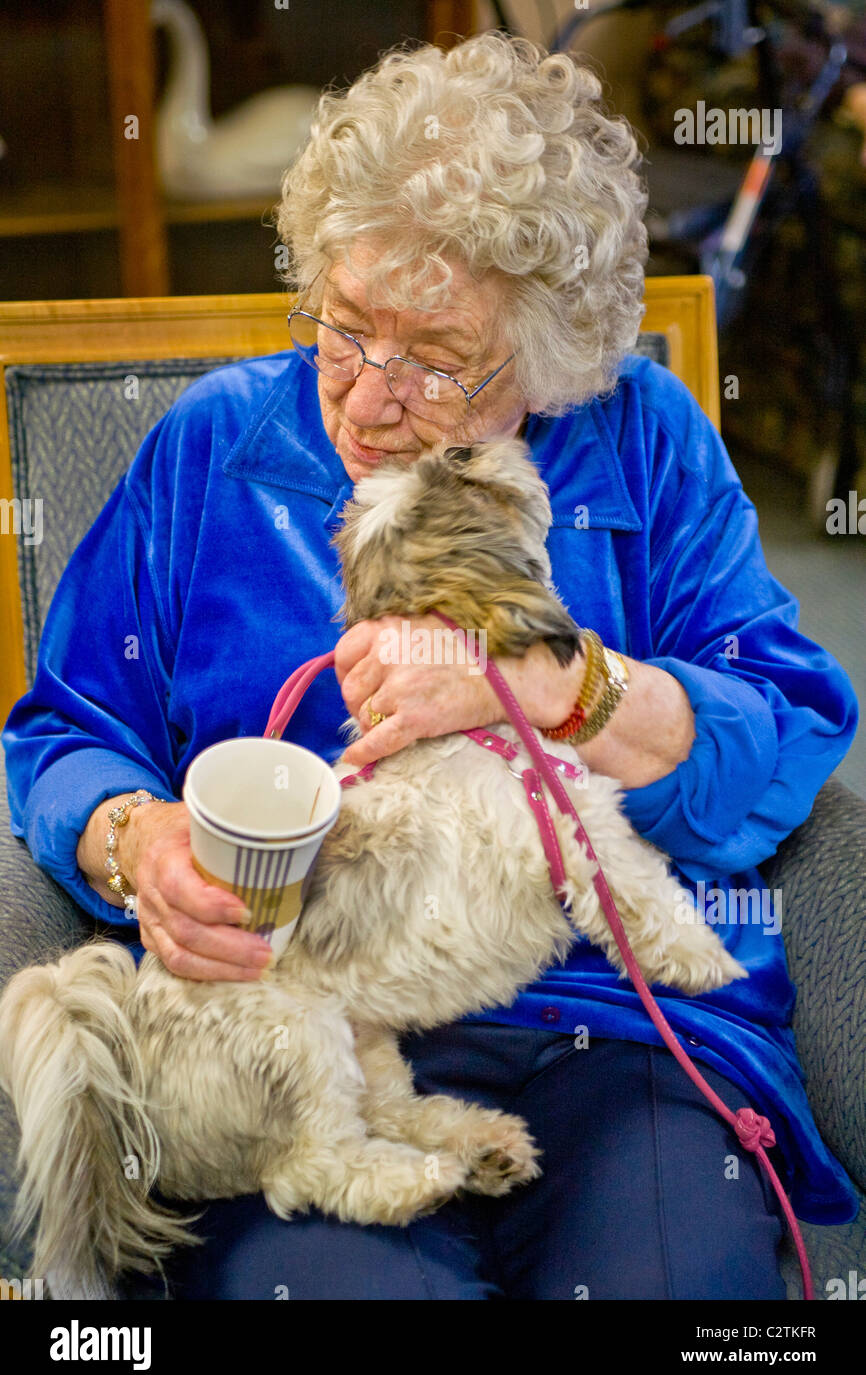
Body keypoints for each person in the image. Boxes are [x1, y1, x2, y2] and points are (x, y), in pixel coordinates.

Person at [2, 32, 859, 1301]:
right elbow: (61, 730)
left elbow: (783, 727)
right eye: (345, 328)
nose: (366, 397)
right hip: (305, 1033)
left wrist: (564, 689)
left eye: (437, 358)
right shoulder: (213, 449)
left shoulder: (640, 443)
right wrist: (135, 843)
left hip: (610, 1019)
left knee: (673, 1281)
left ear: (551, 355)